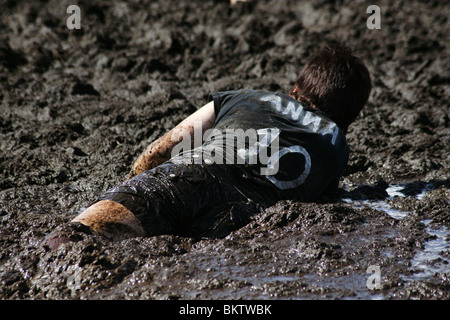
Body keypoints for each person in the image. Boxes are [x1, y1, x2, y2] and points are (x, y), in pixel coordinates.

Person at [45, 44, 371, 249]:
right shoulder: (336, 143)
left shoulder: (248, 96)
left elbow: (160, 151)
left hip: (189, 174)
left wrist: (135, 181)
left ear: (295, 87)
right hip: (251, 216)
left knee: (76, 241)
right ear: (348, 119)